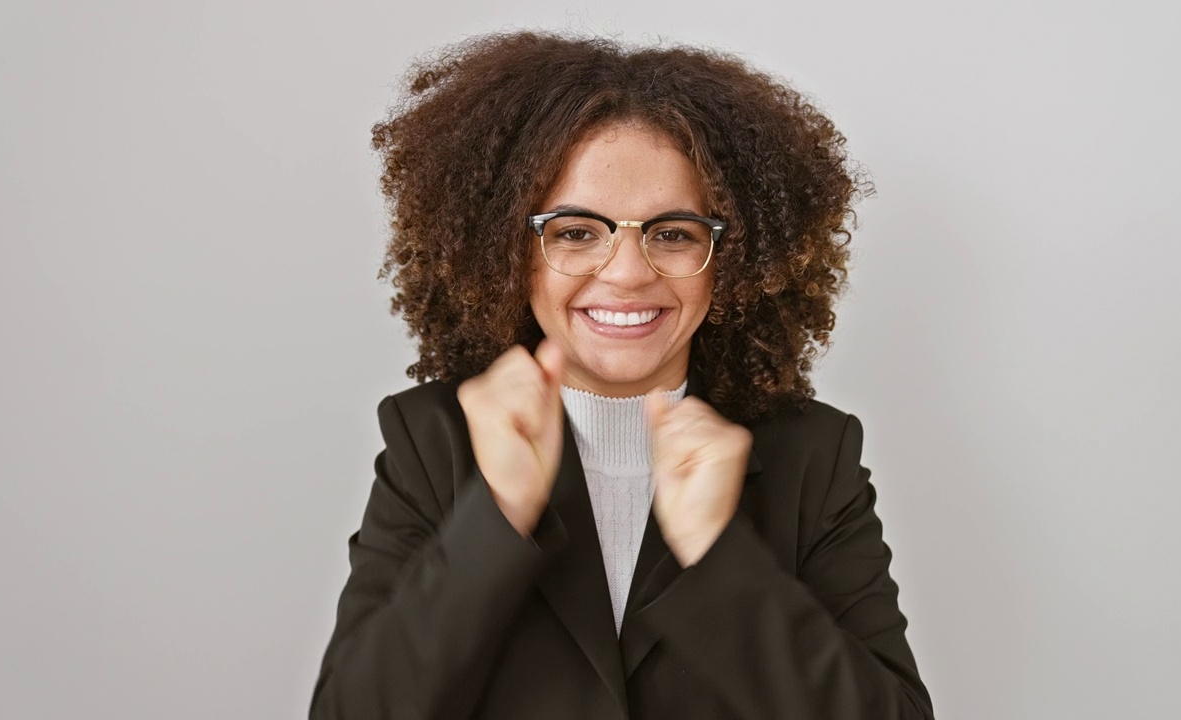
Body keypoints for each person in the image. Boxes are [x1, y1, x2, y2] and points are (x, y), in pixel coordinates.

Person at [310, 30, 934, 720]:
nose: (630, 272)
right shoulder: (431, 440)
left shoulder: (813, 455)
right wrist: (497, 519)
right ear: (506, 254)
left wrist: (718, 559)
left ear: (733, 260)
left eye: (674, 232)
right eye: (576, 232)